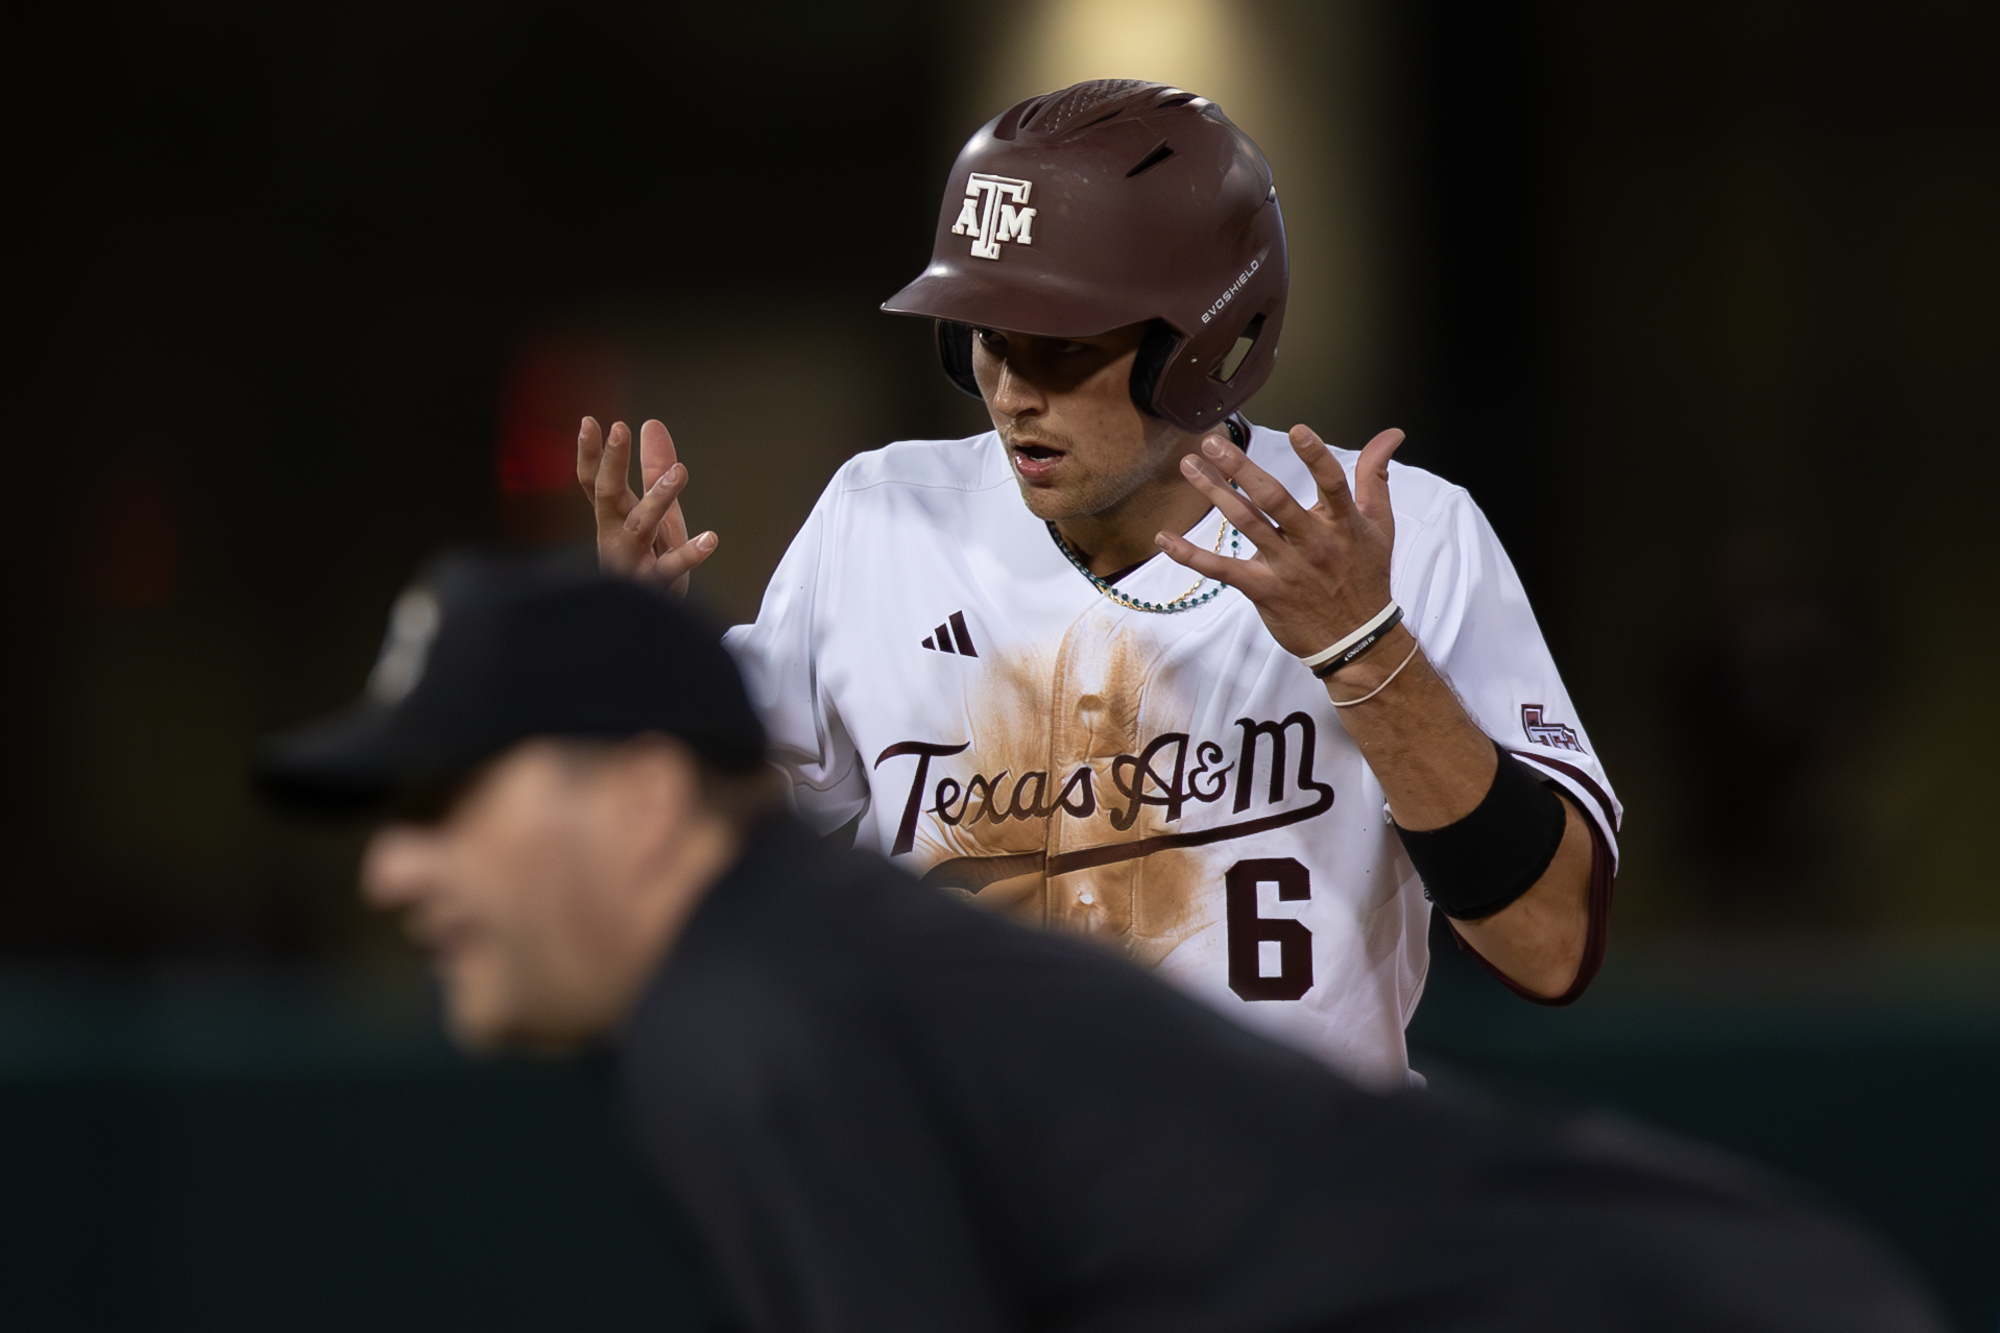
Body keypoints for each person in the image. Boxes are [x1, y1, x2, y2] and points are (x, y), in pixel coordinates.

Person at [257, 556, 1938, 1333]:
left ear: (638, 800)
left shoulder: (753, 1020)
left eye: (449, 797)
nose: (397, 865)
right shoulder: (787, 965)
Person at [578, 79, 1613, 1085]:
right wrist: (633, 679)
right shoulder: (879, 519)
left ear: (1201, 347)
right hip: (973, 1222)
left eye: (1064, 349)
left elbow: (1548, 941)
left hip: (1296, 1219)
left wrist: (1365, 651)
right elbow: (682, 883)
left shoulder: (1399, 535)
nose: (1014, 394)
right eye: (987, 340)